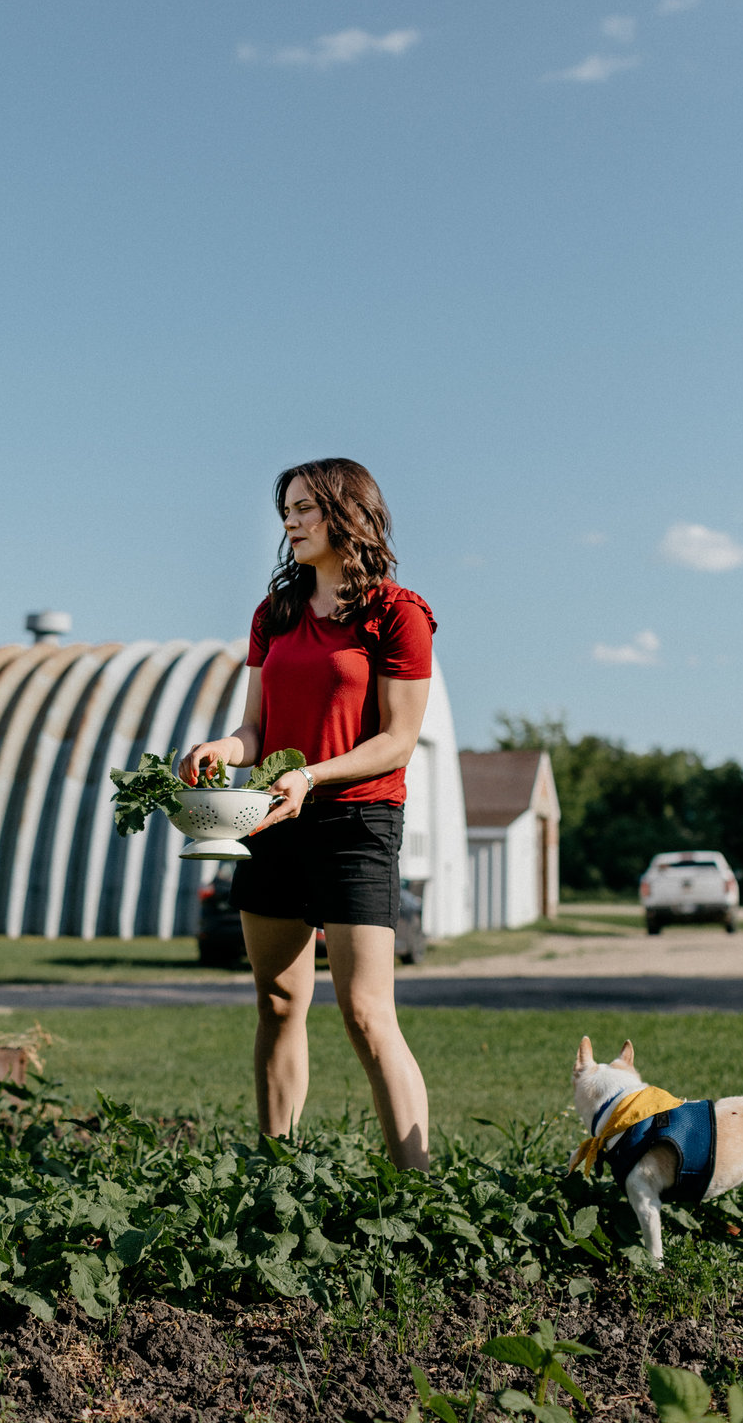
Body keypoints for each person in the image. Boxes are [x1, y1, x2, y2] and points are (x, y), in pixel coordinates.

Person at [179, 457, 434, 1170]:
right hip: (268, 822)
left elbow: (396, 741)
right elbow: (254, 731)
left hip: (356, 826)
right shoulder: (276, 614)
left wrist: (311, 776)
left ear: (347, 514)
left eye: (302, 508)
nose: (288, 521)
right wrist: (218, 749)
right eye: (284, 509)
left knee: (365, 1014)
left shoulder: (399, 614)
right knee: (279, 1004)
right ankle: (276, 1175)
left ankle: (418, 1192)